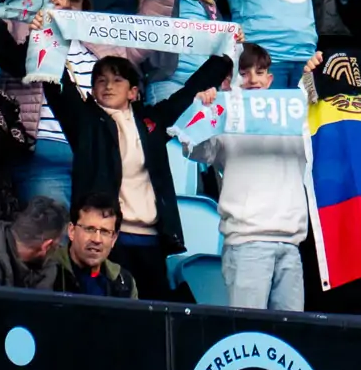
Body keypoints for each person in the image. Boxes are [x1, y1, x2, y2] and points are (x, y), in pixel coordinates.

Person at [41, 49, 230, 299]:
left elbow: (187, 93)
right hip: (107, 239)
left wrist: (225, 53)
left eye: (117, 80)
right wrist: (46, 36)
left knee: (152, 318)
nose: (108, 85)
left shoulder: (151, 122)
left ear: (133, 91)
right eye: (101, 80)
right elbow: (56, 85)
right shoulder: (85, 122)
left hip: (151, 241)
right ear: (92, 89)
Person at [179, 43, 309, 309]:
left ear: (270, 79)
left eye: (260, 72)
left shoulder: (298, 118)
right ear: (232, 81)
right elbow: (193, 149)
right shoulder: (226, 119)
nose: (253, 80)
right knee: (248, 337)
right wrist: (204, 109)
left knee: (289, 340)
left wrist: (314, 75)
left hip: (291, 244)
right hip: (246, 243)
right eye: (245, 72)